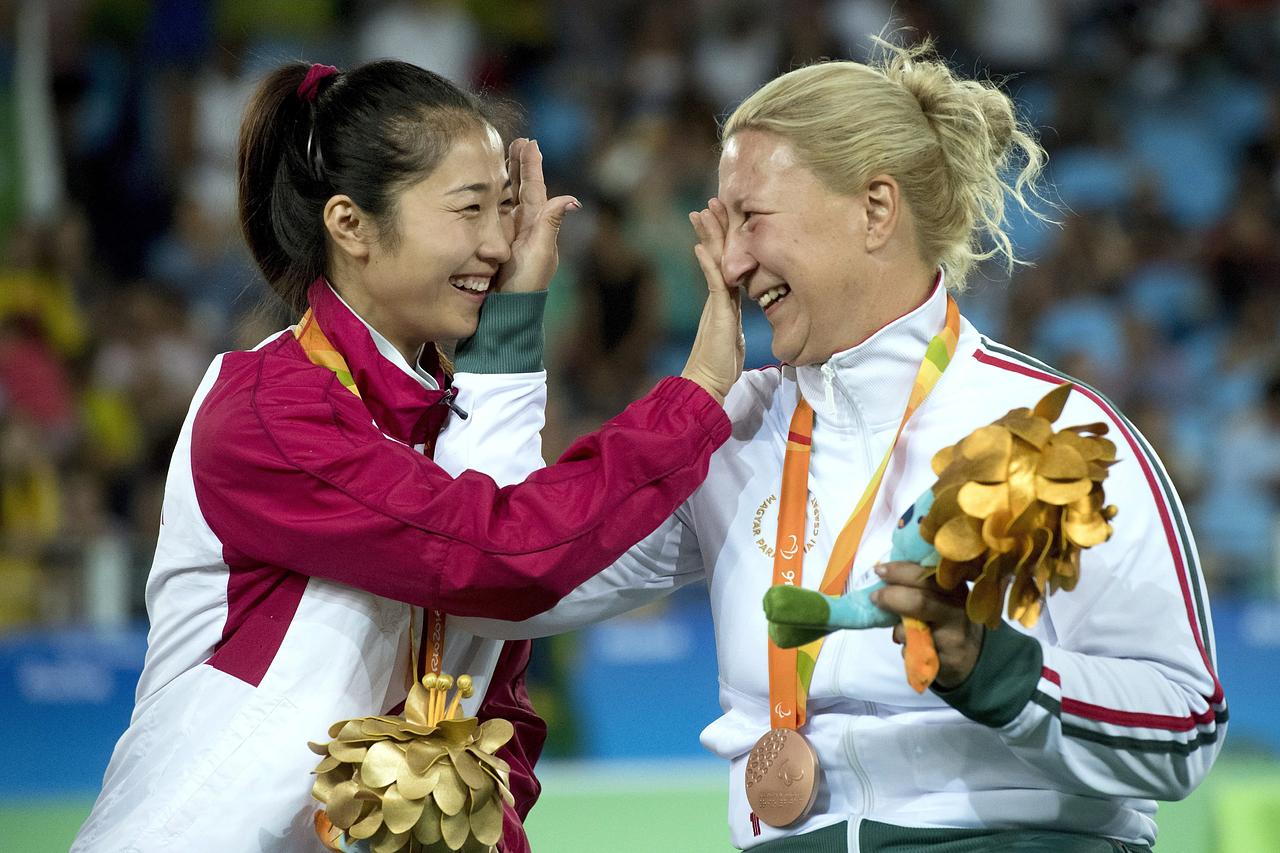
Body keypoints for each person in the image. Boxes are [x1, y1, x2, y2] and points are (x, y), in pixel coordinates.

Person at [463, 40, 1225, 851]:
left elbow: (1183, 726)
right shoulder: (726, 431)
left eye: (753, 218)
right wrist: (511, 328)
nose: (732, 261)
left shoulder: (1057, 431)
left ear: (875, 209)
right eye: (725, 224)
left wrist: (994, 668)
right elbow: (500, 577)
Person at [71, 60, 742, 852]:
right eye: (468, 209)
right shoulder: (269, 409)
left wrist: (514, 322)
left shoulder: (438, 413)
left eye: (504, 206)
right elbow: (501, 557)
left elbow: (497, 673)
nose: (498, 243)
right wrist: (697, 393)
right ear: (351, 224)